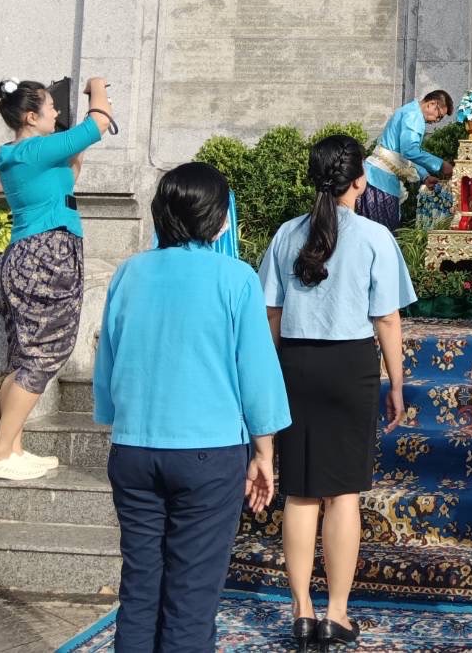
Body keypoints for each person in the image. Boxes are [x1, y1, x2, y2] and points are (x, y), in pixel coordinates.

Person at [93, 163, 289, 653]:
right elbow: (257, 374)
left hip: (134, 447)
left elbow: (109, 360)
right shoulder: (236, 278)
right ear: (220, 219)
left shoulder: (129, 273)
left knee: (140, 588)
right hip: (208, 453)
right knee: (191, 597)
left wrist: (121, 421)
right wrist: (264, 453)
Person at [259, 134, 413, 650]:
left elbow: (272, 316)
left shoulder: (286, 234)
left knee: (300, 490)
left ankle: (300, 611)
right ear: (359, 181)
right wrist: (398, 382)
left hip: (297, 362)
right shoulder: (374, 236)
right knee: (342, 494)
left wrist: (272, 374)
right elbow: (388, 319)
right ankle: (337, 613)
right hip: (350, 364)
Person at [0, 76, 114, 481]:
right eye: (51, 107)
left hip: (29, 255)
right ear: (31, 116)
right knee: (45, 354)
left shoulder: (23, 154)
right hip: (46, 258)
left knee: (24, 357)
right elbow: (99, 124)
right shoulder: (35, 149)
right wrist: (97, 87)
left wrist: (78, 142)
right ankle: (0, 452)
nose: (57, 112)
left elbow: (69, 176)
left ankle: (13, 446)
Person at [356, 90, 456, 231]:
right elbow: (410, 151)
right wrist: (440, 165)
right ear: (432, 104)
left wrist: (424, 175)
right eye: (438, 117)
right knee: (383, 234)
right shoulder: (414, 116)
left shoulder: (409, 111)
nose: (435, 122)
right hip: (381, 182)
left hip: (376, 178)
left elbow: (404, 154)